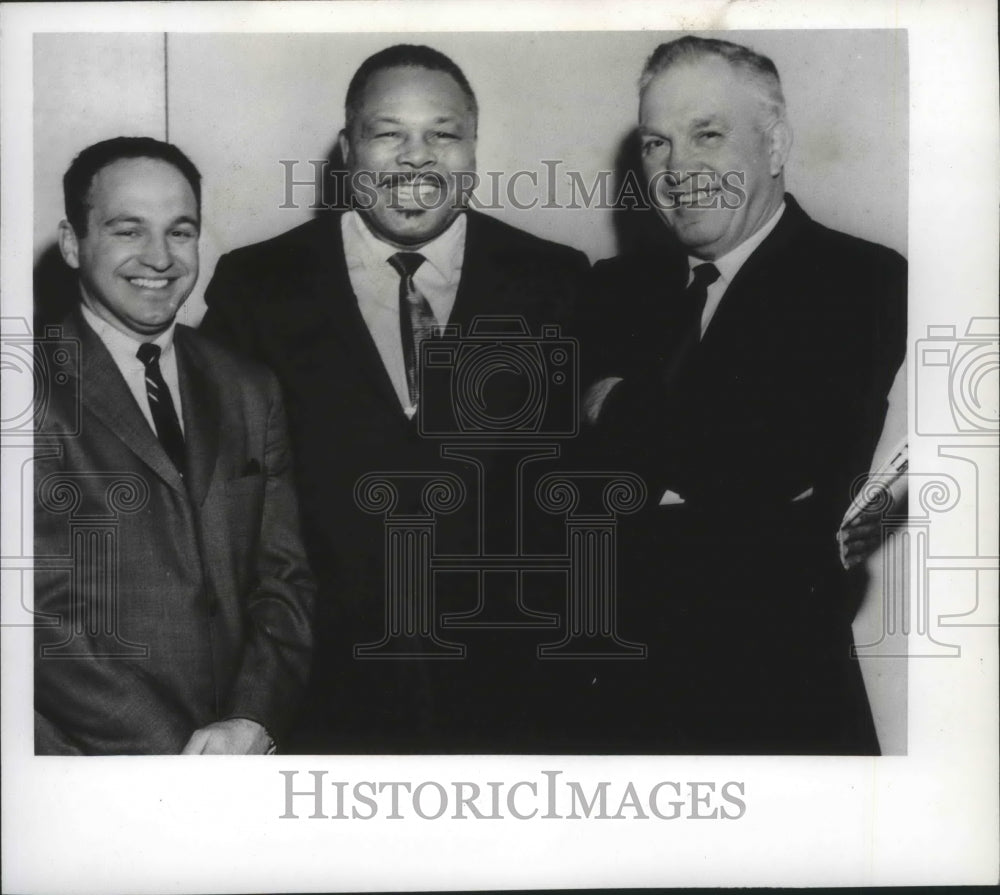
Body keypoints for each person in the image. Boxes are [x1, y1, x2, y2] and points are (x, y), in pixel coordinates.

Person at [200, 45, 589, 752]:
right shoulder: (257, 285)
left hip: (512, 699)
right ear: (348, 149)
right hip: (318, 697)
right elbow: (228, 508)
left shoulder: (555, 281)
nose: (418, 158)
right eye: (389, 133)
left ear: (473, 148)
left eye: (443, 133)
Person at [581, 36, 906, 754]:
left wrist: (613, 407)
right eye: (657, 143)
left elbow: (771, 464)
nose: (679, 169)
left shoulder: (861, 282)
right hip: (614, 716)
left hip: (776, 710)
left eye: (708, 134)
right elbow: (557, 490)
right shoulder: (611, 293)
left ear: (776, 143)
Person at [34, 137, 315, 755]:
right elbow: (32, 616)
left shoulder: (248, 385)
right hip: (88, 763)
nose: (159, 258)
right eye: (128, 230)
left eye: (180, 231)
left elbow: (284, 579)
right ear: (73, 242)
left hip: (239, 754)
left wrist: (253, 718)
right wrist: (175, 755)